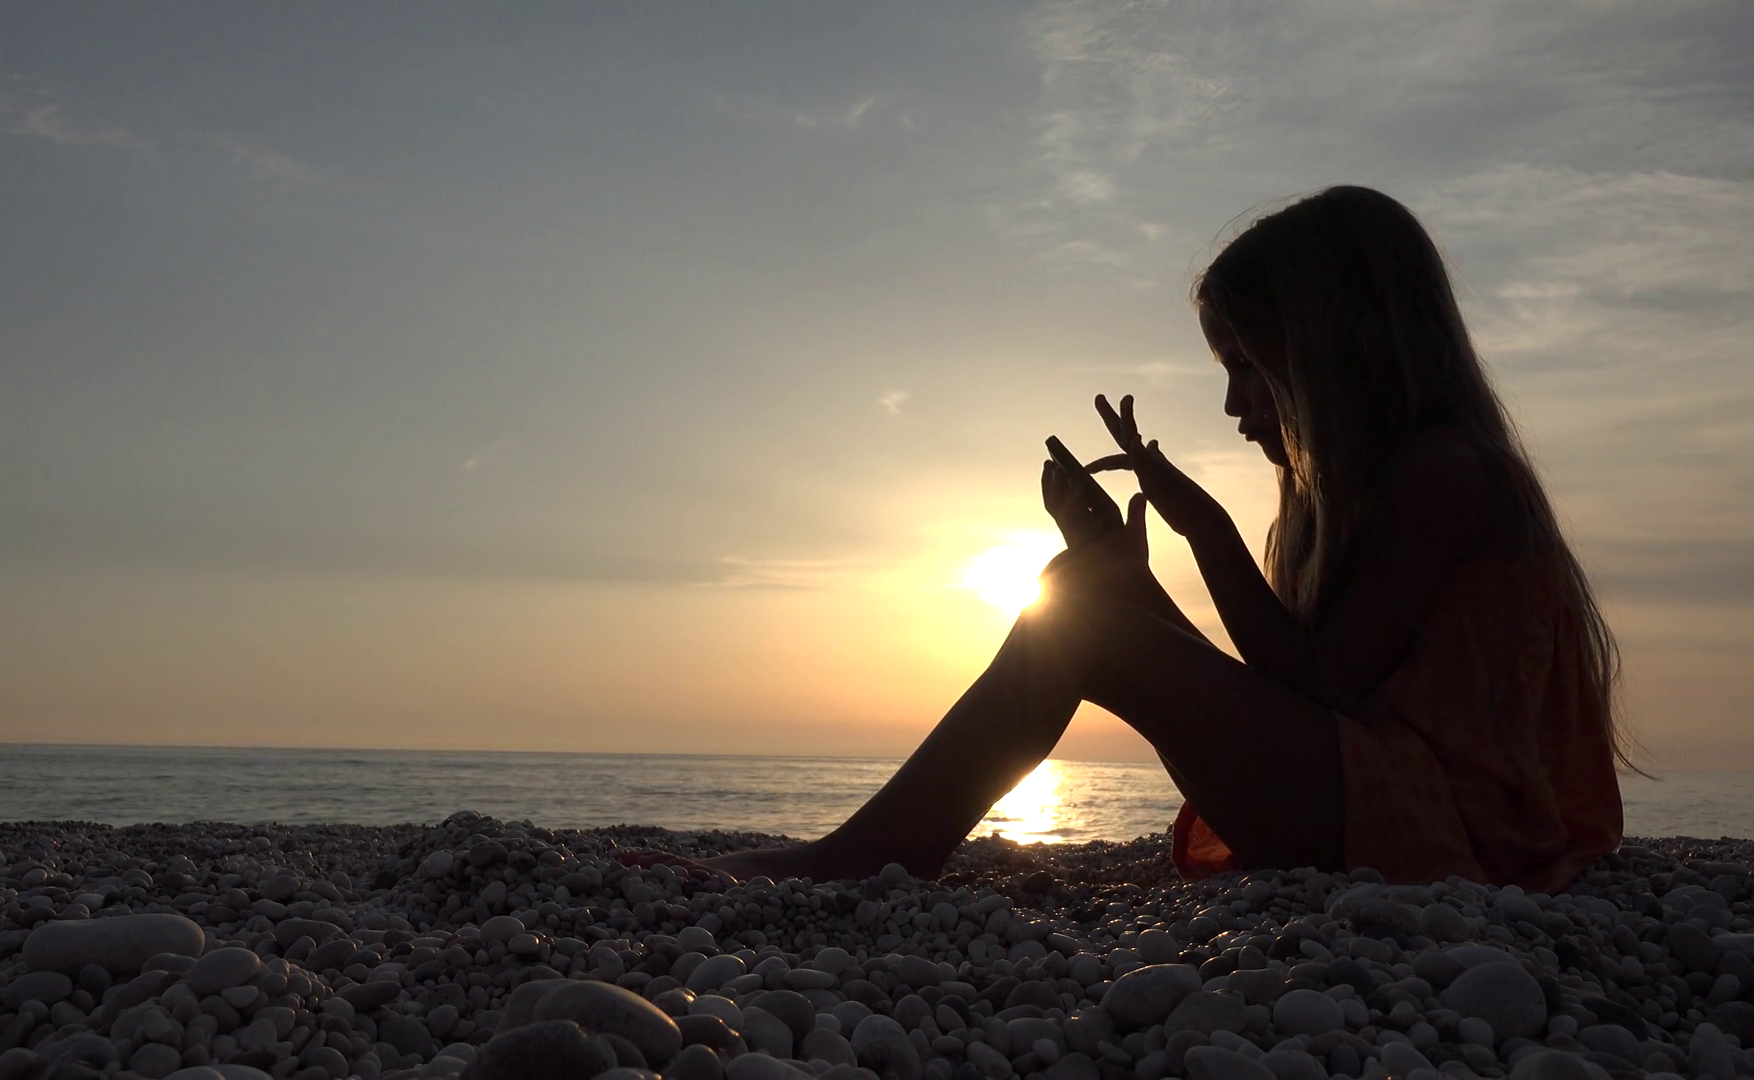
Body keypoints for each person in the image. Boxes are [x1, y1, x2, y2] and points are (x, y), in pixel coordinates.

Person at [663, 186, 1628, 891]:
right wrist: (1140, 582)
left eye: (1250, 367)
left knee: (1088, 622)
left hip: (1450, 837)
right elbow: (1302, 690)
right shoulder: (1375, 491)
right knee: (1083, 590)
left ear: (1339, 351)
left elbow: (1321, 681)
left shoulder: (1445, 472)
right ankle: (874, 846)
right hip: (1386, 803)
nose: (1233, 402)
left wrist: (1203, 526)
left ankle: (861, 857)